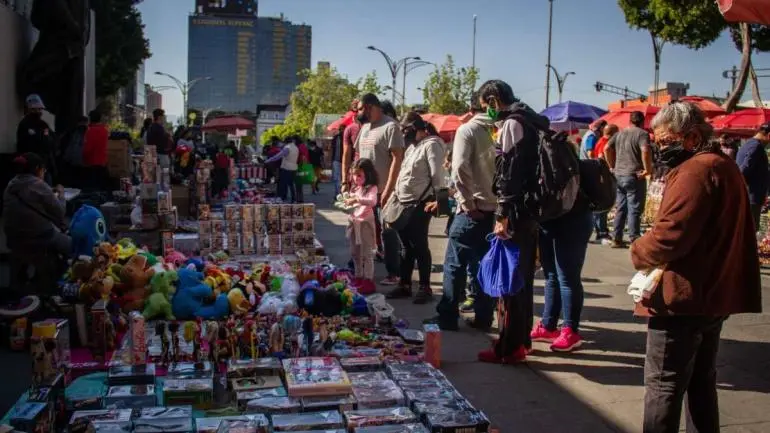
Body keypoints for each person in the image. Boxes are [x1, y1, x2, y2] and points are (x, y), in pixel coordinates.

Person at [630, 102, 761, 433]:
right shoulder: (722, 165)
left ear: (689, 137)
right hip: (710, 295)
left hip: (684, 298)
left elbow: (668, 236)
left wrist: (637, 250)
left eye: (664, 141)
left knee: (664, 386)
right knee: (701, 383)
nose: (661, 149)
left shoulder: (695, 171)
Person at [479, 79, 549, 363]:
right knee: (521, 279)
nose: (489, 112)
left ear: (495, 100)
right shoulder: (530, 121)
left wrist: (502, 215)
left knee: (509, 282)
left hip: (516, 213)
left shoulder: (512, 124)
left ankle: (510, 347)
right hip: (529, 211)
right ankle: (522, 340)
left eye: (488, 106)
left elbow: (510, 173)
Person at [430, 92, 497, 330]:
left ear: (471, 109)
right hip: (495, 212)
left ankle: (448, 315)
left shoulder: (468, 130)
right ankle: (484, 316)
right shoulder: (502, 128)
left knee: (455, 265)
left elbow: (458, 168)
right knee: (483, 266)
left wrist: (467, 203)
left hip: (473, 210)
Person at [530, 165, 593, 352]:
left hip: (570, 219)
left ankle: (570, 330)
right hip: (551, 220)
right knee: (551, 275)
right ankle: (549, 325)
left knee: (567, 277)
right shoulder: (549, 152)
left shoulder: (554, 154)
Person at [385, 112, 445, 304]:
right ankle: (405, 284)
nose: (404, 133)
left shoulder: (432, 145)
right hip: (403, 203)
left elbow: (438, 177)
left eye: (406, 129)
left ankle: (425, 287)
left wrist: (441, 203)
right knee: (406, 247)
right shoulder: (412, 147)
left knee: (420, 246)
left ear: (418, 128)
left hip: (420, 204)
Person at [352, 93, 406, 286]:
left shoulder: (390, 127)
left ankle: (394, 273)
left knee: (388, 232)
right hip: (366, 191)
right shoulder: (365, 128)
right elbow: (359, 156)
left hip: (385, 192)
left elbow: (397, 160)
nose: (356, 113)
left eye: (358, 108)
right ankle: (358, 265)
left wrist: (389, 190)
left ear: (368, 106)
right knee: (363, 228)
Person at [2, 153, 70, 258]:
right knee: (72, 245)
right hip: (38, 237)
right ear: (38, 169)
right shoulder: (39, 184)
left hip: (13, 237)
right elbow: (60, 212)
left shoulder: (11, 185)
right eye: (44, 170)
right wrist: (61, 194)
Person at [604, 111, 654, 248]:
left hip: (619, 175)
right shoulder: (642, 134)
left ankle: (617, 238)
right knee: (635, 209)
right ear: (642, 121)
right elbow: (645, 150)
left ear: (630, 120)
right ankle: (634, 239)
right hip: (634, 175)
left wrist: (611, 167)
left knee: (621, 208)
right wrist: (647, 170)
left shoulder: (619, 133)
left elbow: (606, 148)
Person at [344, 159, 379, 283]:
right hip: (354, 223)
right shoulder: (355, 188)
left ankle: (368, 279)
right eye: (353, 174)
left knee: (367, 254)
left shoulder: (372, 188)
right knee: (355, 253)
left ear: (368, 174)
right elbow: (350, 204)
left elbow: (372, 201)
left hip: (365, 225)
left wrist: (357, 200)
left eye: (359, 175)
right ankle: (358, 275)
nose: (355, 178)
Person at [736, 123, 770, 229]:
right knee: (751, 230)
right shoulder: (756, 147)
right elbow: (744, 169)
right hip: (752, 197)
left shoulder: (749, 144)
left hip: (750, 196)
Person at [16, 94, 56, 185]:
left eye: (39, 109)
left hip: (43, 164)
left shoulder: (43, 124)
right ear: (28, 109)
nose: (37, 111)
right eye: (34, 109)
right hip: (31, 166)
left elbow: (50, 141)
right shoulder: (25, 125)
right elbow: (24, 144)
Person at [592, 123, 619, 243]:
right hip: (604, 176)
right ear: (613, 134)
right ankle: (601, 231)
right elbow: (602, 156)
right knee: (604, 204)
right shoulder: (605, 143)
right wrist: (611, 167)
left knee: (602, 205)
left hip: (600, 176)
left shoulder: (600, 141)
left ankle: (601, 229)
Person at [265, 138, 299, 202]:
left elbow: (278, 156)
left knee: (284, 184)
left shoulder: (287, 148)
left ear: (285, 142)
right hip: (294, 167)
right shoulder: (295, 147)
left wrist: (268, 160)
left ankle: (283, 198)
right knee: (291, 184)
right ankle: (293, 198)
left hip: (286, 168)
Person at [82, 109, 110, 187]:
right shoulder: (105, 130)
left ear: (90, 119)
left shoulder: (90, 131)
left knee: (92, 187)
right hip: (102, 162)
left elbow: (87, 149)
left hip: (91, 163)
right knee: (100, 186)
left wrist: (83, 159)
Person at [59, 115, 89, 187]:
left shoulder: (72, 132)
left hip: (73, 163)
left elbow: (68, 147)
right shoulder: (88, 132)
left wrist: (65, 159)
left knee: (74, 184)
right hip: (85, 163)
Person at [331, 125, 346, 196]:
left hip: (344, 160)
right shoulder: (335, 138)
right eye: (340, 129)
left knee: (343, 177)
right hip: (336, 160)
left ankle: (342, 193)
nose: (341, 131)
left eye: (342, 129)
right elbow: (332, 149)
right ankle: (337, 193)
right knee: (337, 177)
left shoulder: (346, 137)